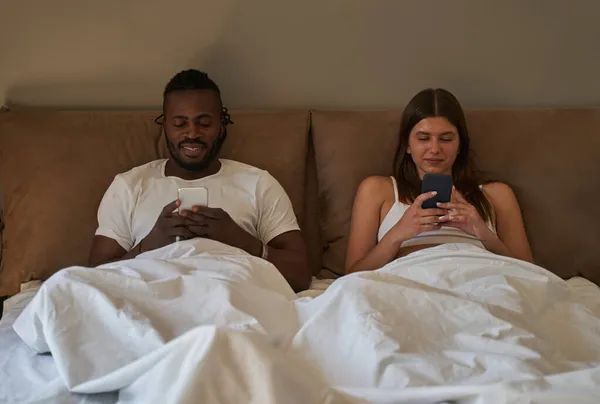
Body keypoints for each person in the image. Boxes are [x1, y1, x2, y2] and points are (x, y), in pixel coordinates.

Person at [88, 69, 311, 292]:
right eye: (180, 124)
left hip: (233, 298)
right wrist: (149, 245)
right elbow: (93, 280)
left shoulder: (258, 183)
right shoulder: (129, 185)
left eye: (204, 123)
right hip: (153, 301)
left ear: (222, 125)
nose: (192, 133)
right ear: (164, 126)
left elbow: (301, 277)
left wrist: (242, 241)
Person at [345, 88, 534, 274]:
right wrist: (397, 235)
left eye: (445, 139)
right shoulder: (377, 190)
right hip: (407, 283)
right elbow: (352, 276)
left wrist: (482, 232)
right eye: (423, 138)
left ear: (460, 145)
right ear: (407, 145)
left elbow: (533, 276)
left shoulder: (497, 195)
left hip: (477, 279)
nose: (434, 149)